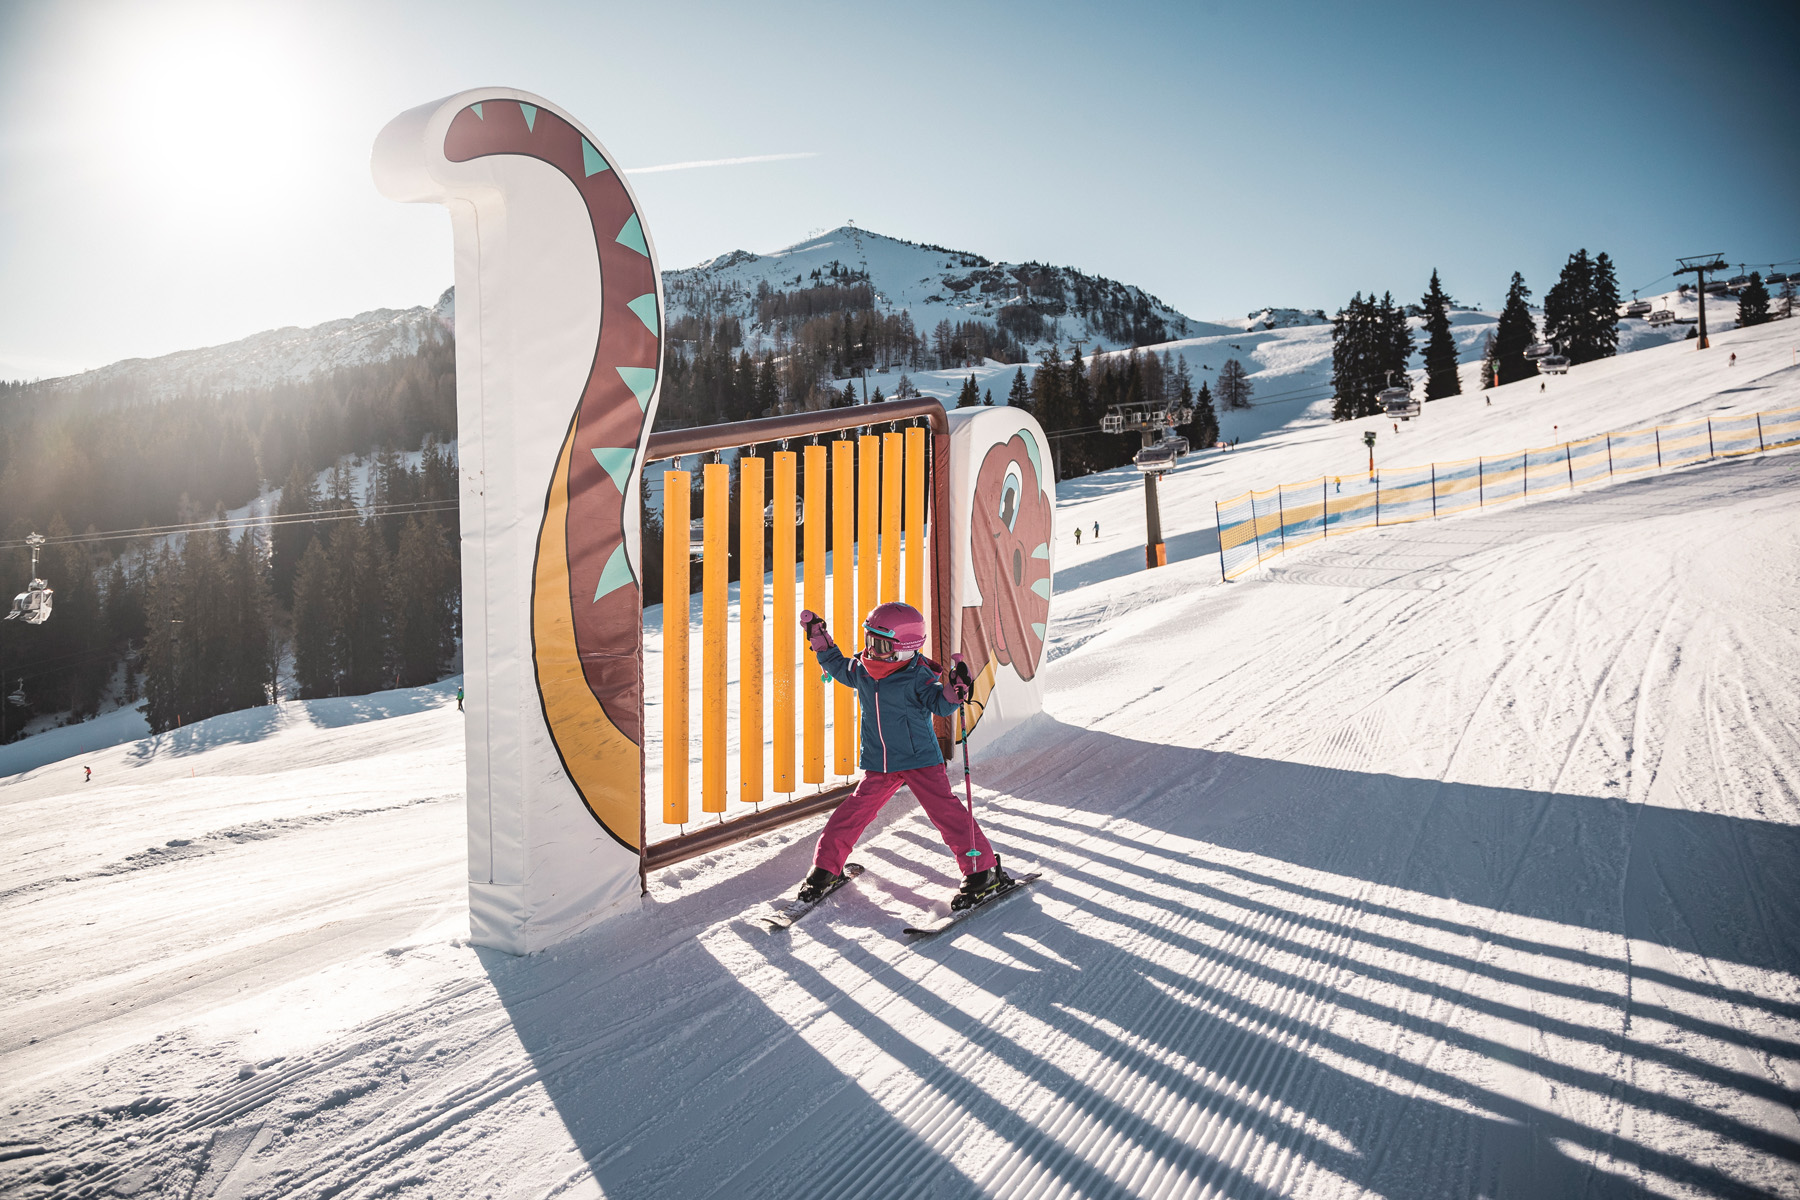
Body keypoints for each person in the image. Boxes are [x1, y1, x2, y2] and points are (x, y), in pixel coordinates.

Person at [795, 602, 1009, 910]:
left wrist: (956, 688)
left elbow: (941, 705)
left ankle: (982, 871)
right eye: (869, 640)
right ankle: (826, 868)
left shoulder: (917, 676)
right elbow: (837, 666)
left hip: (920, 760)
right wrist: (819, 636)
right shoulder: (863, 670)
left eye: (879, 644)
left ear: (904, 648)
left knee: (947, 816)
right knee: (851, 815)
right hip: (881, 763)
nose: (871, 650)